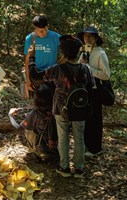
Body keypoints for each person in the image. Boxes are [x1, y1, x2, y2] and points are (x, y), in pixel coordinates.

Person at [43, 35, 94, 178]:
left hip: (61, 107)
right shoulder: (86, 69)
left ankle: (64, 166)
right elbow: (91, 86)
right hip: (79, 107)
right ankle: (79, 168)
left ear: (63, 53)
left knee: (63, 136)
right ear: (78, 52)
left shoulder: (56, 68)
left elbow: (44, 77)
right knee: (79, 137)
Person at [77, 26, 110, 156]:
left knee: (95, 120)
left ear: (96, 38)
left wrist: (88, 67)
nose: (87, 39)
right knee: (86, 119)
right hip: (85, 90)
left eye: (90, 36)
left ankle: (95, 149)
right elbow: (80, 65)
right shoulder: (85, 50)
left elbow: (106, 75)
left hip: (96, 91)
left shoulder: (100, 53)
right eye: (85, 36)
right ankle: (87, 146)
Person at [8, 84, 58, 161]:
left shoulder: (34, 114)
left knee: (27, 128)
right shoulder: (56, 110)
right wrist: (20, 109)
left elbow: (18, 129)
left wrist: (10, 116)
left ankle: (36, 152)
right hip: (56, 151)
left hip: (43, 150)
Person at [23, 15, 61, 98]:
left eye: (44, 30)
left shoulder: (56, 37)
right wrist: (28, 81)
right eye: (39, 31)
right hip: (35, 74)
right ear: (34, 28)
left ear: (47, 26)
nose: (42, 33)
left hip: (51, 75)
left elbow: (64, 55)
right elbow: (27, 61)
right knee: (37, 102)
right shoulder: (30, 38)